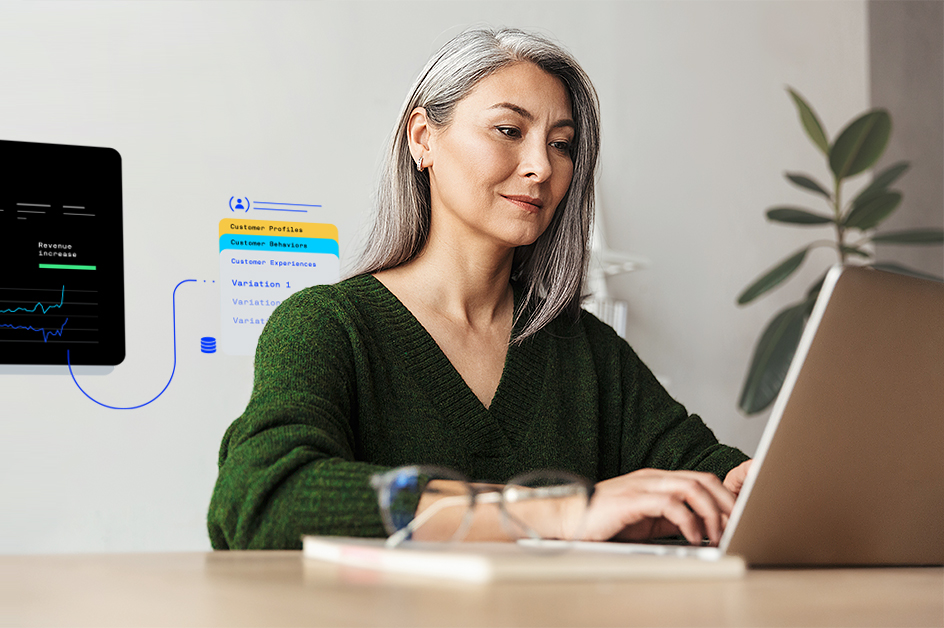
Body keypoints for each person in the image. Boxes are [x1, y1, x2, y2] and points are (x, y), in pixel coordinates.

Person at [207, 27, 752, 550]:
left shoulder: (587, 351)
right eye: (509, 131)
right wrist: (558, 512)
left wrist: (752, 485)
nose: (541, 166)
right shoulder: (328, 326)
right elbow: (263, 498)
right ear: (424, 139)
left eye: (561, 144)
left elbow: (705, 475)